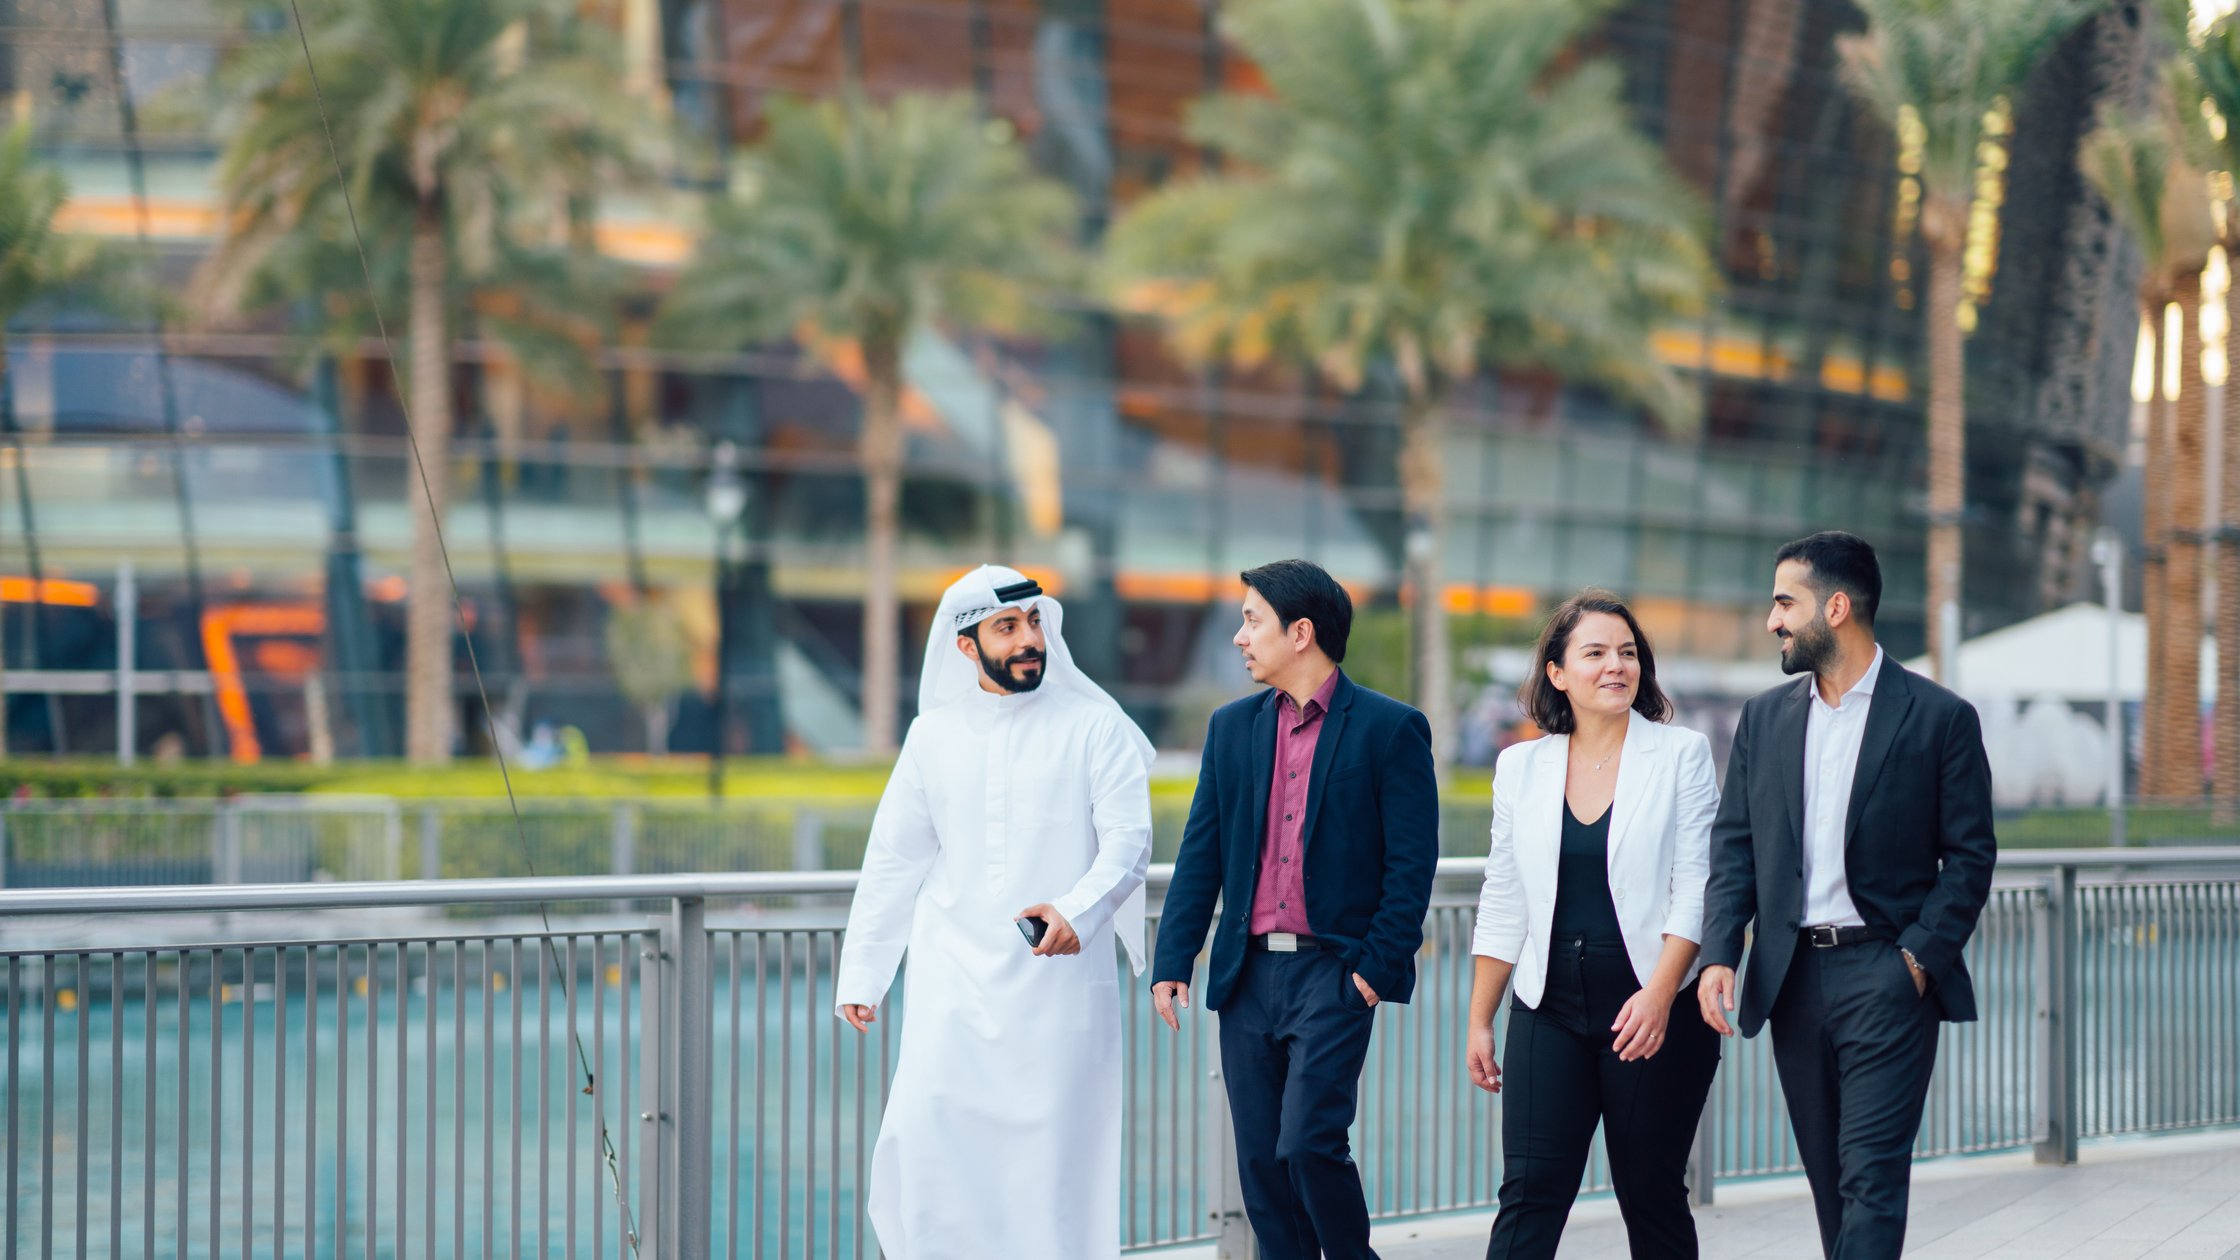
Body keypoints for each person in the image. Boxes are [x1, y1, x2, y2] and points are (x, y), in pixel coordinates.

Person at [833, 564, 1155, 1259]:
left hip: (1057, 994)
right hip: (951, 995)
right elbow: (893, 861)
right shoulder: (931, 736)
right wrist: (863, 974)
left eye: (1034, 622)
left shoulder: (1094, 726)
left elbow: (1130, 844)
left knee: (1051, 1179)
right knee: (926, 1155)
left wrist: (1076, 911)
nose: (1027, 639)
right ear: (966, 645)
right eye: (1006, 627)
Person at [1696, 532, 1997, 1260]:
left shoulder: (1939, 717)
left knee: (1871, 1180)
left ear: (1836, 608)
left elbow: (1970, 857)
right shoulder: (1764, 718)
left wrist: (1915, 962)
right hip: (1792, 978)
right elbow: (1734, 847)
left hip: (1886, 975)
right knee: (1831, 1187)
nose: (1772, 620)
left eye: (1784, 602)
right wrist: (1719, 953)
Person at [1150, 559, 1439, 1260]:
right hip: (1246, 977)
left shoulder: (1390, 729)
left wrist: (1370, 973)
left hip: (1332, 974)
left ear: (1300, 632)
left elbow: (1411, 867)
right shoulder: (1231, 728)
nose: (1240, 637)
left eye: (1252, 621)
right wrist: (1173, 958)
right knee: (1262, 1168)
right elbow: (1202, 853)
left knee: (1309, 1143)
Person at [1467, 591, 1722, 1258]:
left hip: (1651, 1006)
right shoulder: (1521, 766)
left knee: (1650, 1192)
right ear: (1557, 672)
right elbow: (1504, 897)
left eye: (1628, 653)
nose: (1616, 665)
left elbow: (1696, 886)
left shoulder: (1682, 754)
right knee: (1529, 1192)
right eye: (1596, 652)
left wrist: (1661, 995)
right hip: (1546, 1007)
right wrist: (1480, 1019)